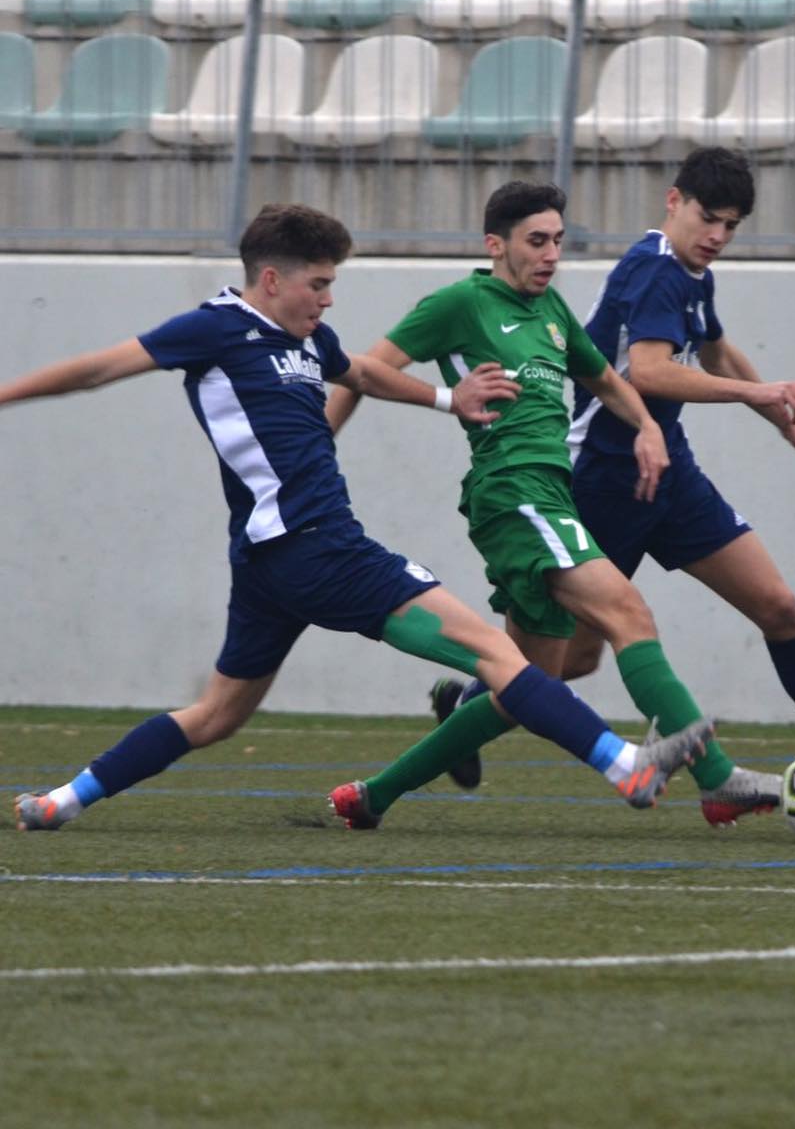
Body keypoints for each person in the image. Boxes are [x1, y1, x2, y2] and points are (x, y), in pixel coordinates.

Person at [6, 203, 710, 833]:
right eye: (318, 283)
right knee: (499, 655)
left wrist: (446, 398)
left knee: (217, 716)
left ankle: (63, 800)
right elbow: (100, 368)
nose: (329, 296)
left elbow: (366, 374)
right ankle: (624, 762)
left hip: (269, 562)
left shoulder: (312, 339)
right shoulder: (216, 328)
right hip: (319, 549)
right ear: (272, 279)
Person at [322, 181, 780, 827]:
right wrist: (320, 445)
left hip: (547, 494)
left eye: (558, 241)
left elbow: (607, 380)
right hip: (512, 492)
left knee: (522, 687)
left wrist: (648, 428)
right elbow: (362, 368)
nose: (550, 255)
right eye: (536, 241)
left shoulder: (554, 312)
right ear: (495, 244)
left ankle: (371, 796)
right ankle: (717, 777)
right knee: (628, 611)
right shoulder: (461, 303)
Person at [553, 146, 795, 812]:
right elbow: (650, 371)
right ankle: (469, 698)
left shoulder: (694, 272)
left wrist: (789, 426)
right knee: (573, 658)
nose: (718, 235)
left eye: (731, 225)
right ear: (673, 201)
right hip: (605, 483)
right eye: (708, 218)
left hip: (669, 472)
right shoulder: (653, 269)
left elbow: (716, 346)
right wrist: (757, 396)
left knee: (779, 606)